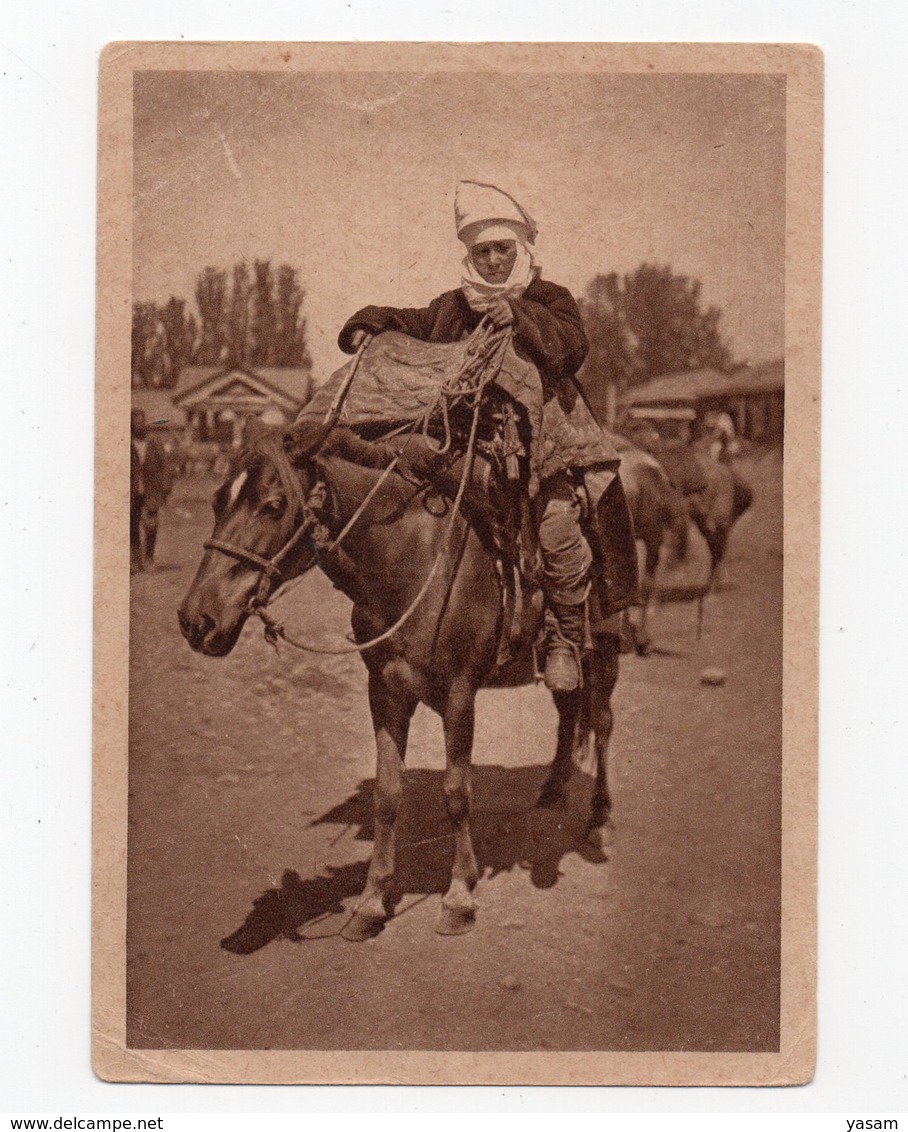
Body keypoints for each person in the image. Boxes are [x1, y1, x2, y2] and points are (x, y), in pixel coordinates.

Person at [337, 180, 625, 692]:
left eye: (502, 250)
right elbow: (409, 320)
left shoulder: (548, 297)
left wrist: (519, 314)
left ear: (521, 249)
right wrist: (369, 325)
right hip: (469, 444)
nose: (492, 261)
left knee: (558, 527)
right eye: (482, 251)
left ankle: (563, 635)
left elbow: (571, 348)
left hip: (547, 446)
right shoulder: (453, 307)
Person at [130, 408, 173, 574]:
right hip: (132, 491)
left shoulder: (154, 442)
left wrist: (166, 487)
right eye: (136, 422)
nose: (140, 425)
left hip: (151, 490)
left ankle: (149, 558)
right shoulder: (125, 443)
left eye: (142, 421)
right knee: (132, 526)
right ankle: (135, 559)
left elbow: (166, 465)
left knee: (151, 525)